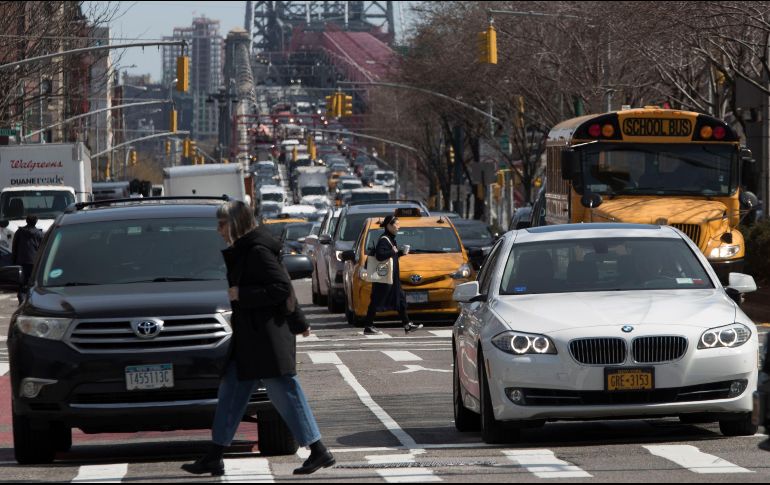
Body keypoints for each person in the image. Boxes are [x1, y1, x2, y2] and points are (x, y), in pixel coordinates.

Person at [182, 201, 334, 477]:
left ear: (236, 223)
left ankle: (318, 449)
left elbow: (280, 287)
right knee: (231, 392)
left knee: (286, 392)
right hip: (253, 338)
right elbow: (284, 286)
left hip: (266, 339)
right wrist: (300, 323)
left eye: (222, 224)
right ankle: (214, 455)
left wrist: (243, 295)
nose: (218, 230)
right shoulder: (249, 248)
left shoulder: (256, 251)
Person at [363, 214, 423, 335]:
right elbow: (380, 255)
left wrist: (400, 253)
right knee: (376, 300)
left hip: (391, 278)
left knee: (400, 299)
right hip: (384, 278)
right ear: (389, 226)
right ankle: (368, 326)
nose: (398, 227)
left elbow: (390, 256)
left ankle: (407, 325)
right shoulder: (384, 239)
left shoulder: (390, 239)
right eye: (396, 224)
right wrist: (392, 251)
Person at [11, 215, 43, 304]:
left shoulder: (19, 232)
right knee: (33, 282)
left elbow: (14, 247)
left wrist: (14, 259)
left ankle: (22, 299)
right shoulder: (39, 234)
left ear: (26, 221)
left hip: (21, 261)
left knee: (22, 282)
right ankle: (31, 300)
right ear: (36, 221)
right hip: (35, 261)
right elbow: (42, 248)